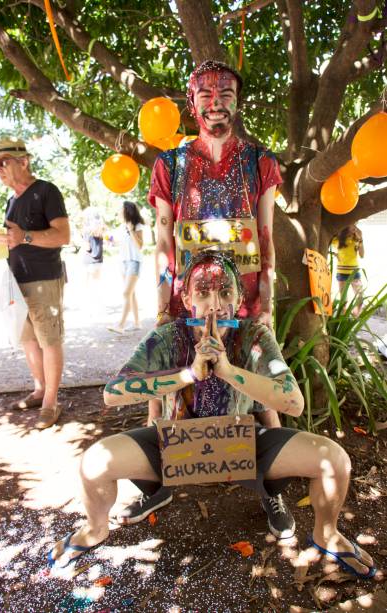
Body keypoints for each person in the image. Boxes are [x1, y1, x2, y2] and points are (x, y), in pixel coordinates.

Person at [48, 252, 376, 580]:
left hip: (244, 443)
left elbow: (294, 402)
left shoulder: (254, 336)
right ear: (187, 298)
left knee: (335, 461)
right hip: (171, 445)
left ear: (238, 298)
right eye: (203, 293)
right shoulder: (166, 337)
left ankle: (326, 534)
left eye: (225, 293)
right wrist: (188, 375)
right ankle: (95, 529)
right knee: (93, 464)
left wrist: (229, 371)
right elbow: (113, 393)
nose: (214, 305)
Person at [132, 59, 286, 530]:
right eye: (206, 94)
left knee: (263, 389)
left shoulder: (259, 160)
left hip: (244, 298)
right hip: (185, 299)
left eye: (225, 94)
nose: (216, 103)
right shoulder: (170, 164)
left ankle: (274, 492)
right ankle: (157, 485)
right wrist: (162, 305)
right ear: (191, 101)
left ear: (237, 101)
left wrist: (267, 305)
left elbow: (265, 236)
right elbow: (162, 239)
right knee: (165, 382)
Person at [0, 137, 70, 429]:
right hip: (16, 280)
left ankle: (51, 402)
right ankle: (39, 390)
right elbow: (12, 240)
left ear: (24, 162)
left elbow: (63, 235)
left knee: (49, 340)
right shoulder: (11, 201)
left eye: (3, 162)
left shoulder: (46, 191)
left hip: (44, 278)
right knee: (28, 339)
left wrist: (24, 236)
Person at [110, 200, 144, 334]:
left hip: (134, 262)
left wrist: (131, 230)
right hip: (123, 262)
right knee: (132, 293)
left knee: (126, 293)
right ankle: (137, 323)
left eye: (121, 209)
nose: (119, 211)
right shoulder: (122, 226)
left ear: (127, 211)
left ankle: (120, 325)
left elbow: (140, 245)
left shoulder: (137, 226)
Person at [331, 225, 364, 316]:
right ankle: (343, 319)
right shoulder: (337, 240)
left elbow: (362, 255)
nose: (354, 227)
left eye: (355, 225)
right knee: (343, 300)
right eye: (352, 225)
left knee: (360, 297)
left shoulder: (356, 240)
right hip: (342, 274)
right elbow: (326, 243)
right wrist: (334, 254)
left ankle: (355, 316)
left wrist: (361, 239)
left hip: (354, 273)